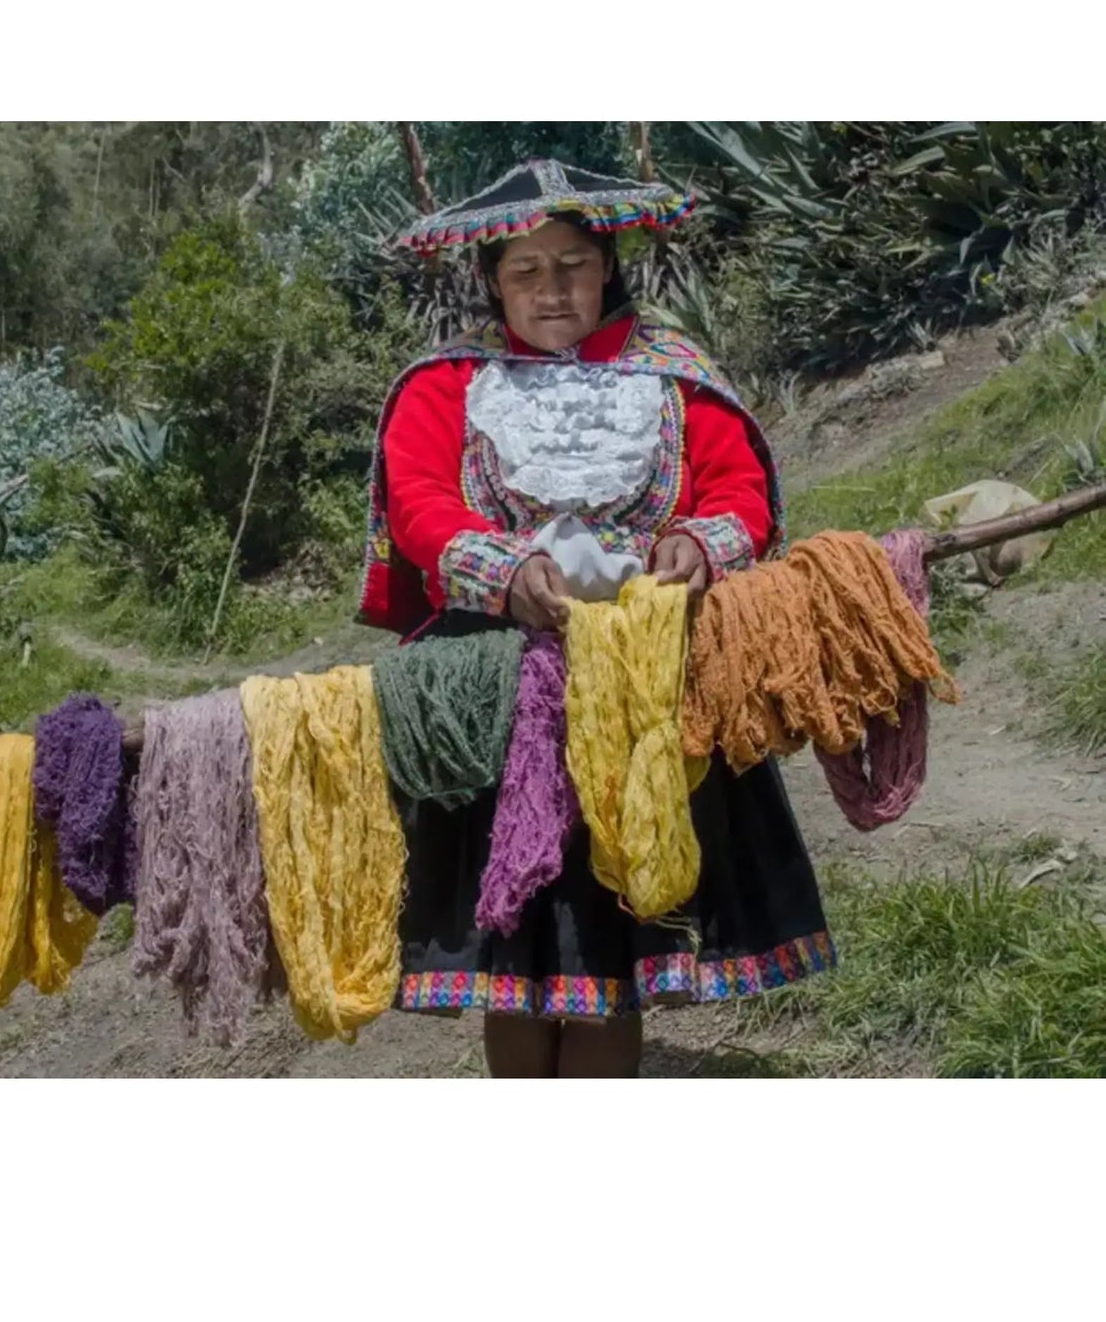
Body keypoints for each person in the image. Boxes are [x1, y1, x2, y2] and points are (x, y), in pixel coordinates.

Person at [358, 158, 835, 1078]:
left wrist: (699, 545)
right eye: (526, 270)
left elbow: (741, 489)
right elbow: (418, 502)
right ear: (491, 279)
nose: (552, 288)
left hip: (647, 678)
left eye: (571, 262)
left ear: (606, 263)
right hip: (498, 685)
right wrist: (506, 570)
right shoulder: (445, 384)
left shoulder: (673, 374)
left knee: (617, 929)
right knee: (520, 941)